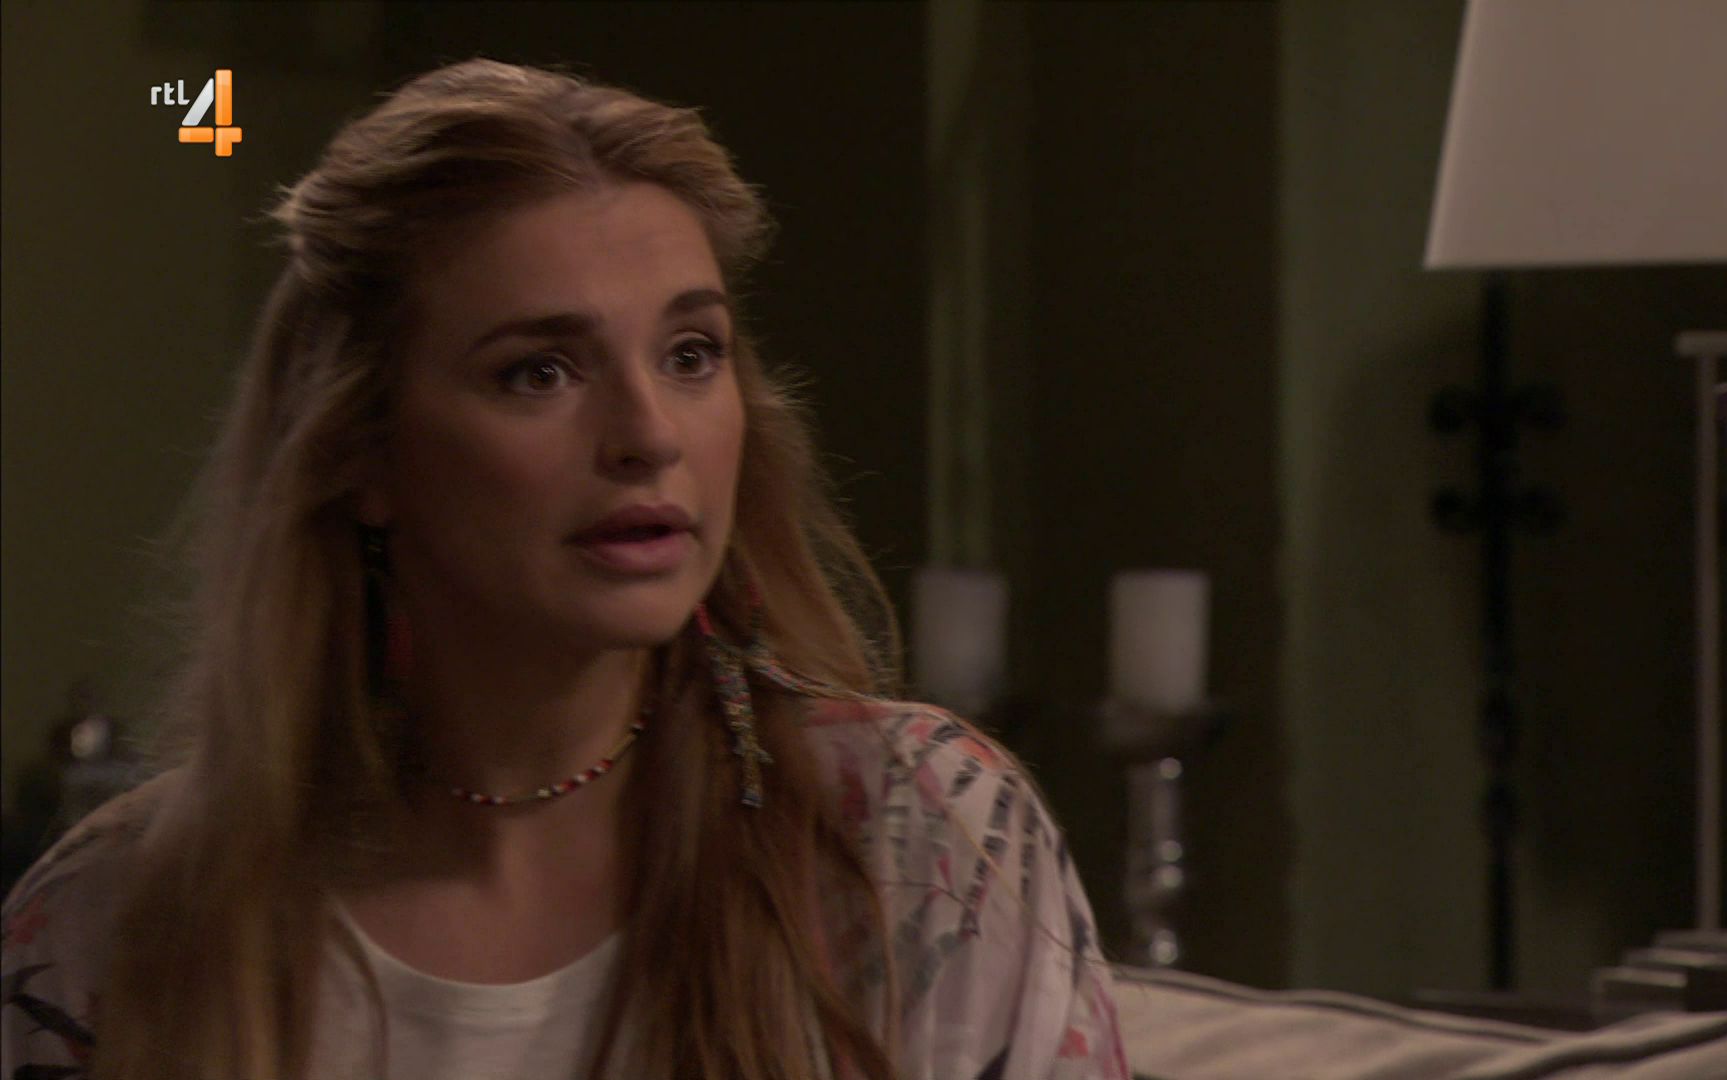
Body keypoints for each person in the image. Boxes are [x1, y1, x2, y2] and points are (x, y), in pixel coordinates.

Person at [0, 58, 1128, 1080]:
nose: (649, 434)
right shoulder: (116, 920)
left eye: (690, 354)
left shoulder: (915, 843)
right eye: (539, 371)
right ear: (361, 452)